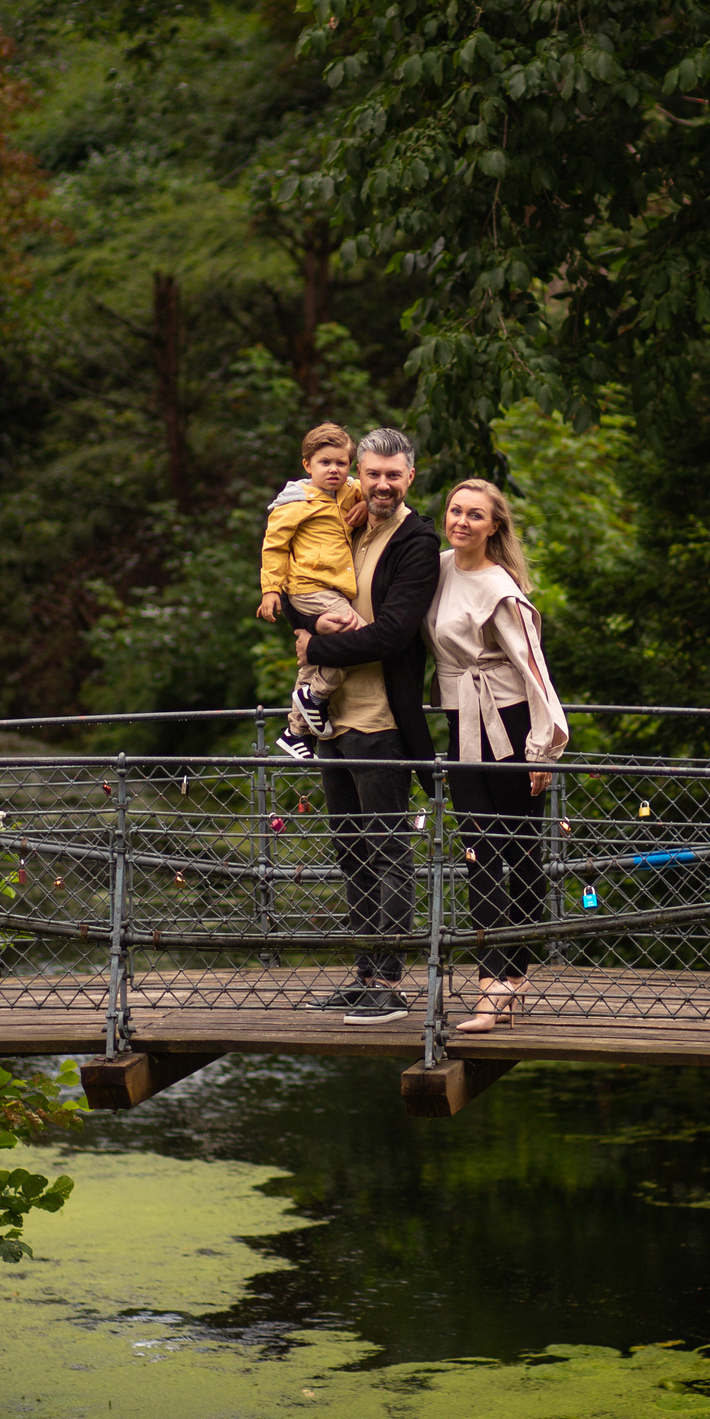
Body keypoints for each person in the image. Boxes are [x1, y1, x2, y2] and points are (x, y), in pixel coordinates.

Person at [294, 426, 440, 1025]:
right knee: (350, 848)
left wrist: (318, 649)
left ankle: (388, 981)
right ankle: (363, 973)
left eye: (392, 475)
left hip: (381, 718)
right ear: (360, 470)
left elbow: (395, 634)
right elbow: (311, 594)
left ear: (410, 475)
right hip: (331, 718)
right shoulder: (344, 521)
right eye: (371, 473)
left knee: (386, 847)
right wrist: (304, 629)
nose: (381, 484)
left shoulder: (416, 540)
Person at [426, 478, 568, 1034]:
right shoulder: (437, 568)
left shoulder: (499, 588)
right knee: (478, 850)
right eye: (455, 511)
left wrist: (543, 748)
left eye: (475, 515)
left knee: (522, 851)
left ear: (493, 527)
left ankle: (511, 978)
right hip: (462, 720)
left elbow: (535, 667)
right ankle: (494, 983)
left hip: (510, 724)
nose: (461, 521)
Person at [255, 421, 363, 757]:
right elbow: (274, 547)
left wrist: (367, 505)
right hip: (309, 585)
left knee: (314, 660)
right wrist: (271, 589)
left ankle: (295, 732)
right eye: (325, 463)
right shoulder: (295, 502)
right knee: (354, 636)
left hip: (335, 587)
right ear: (307, 465)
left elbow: (379, 493)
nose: (334, 470)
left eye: (341, 463)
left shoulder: (351, 491)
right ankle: (315, 696)